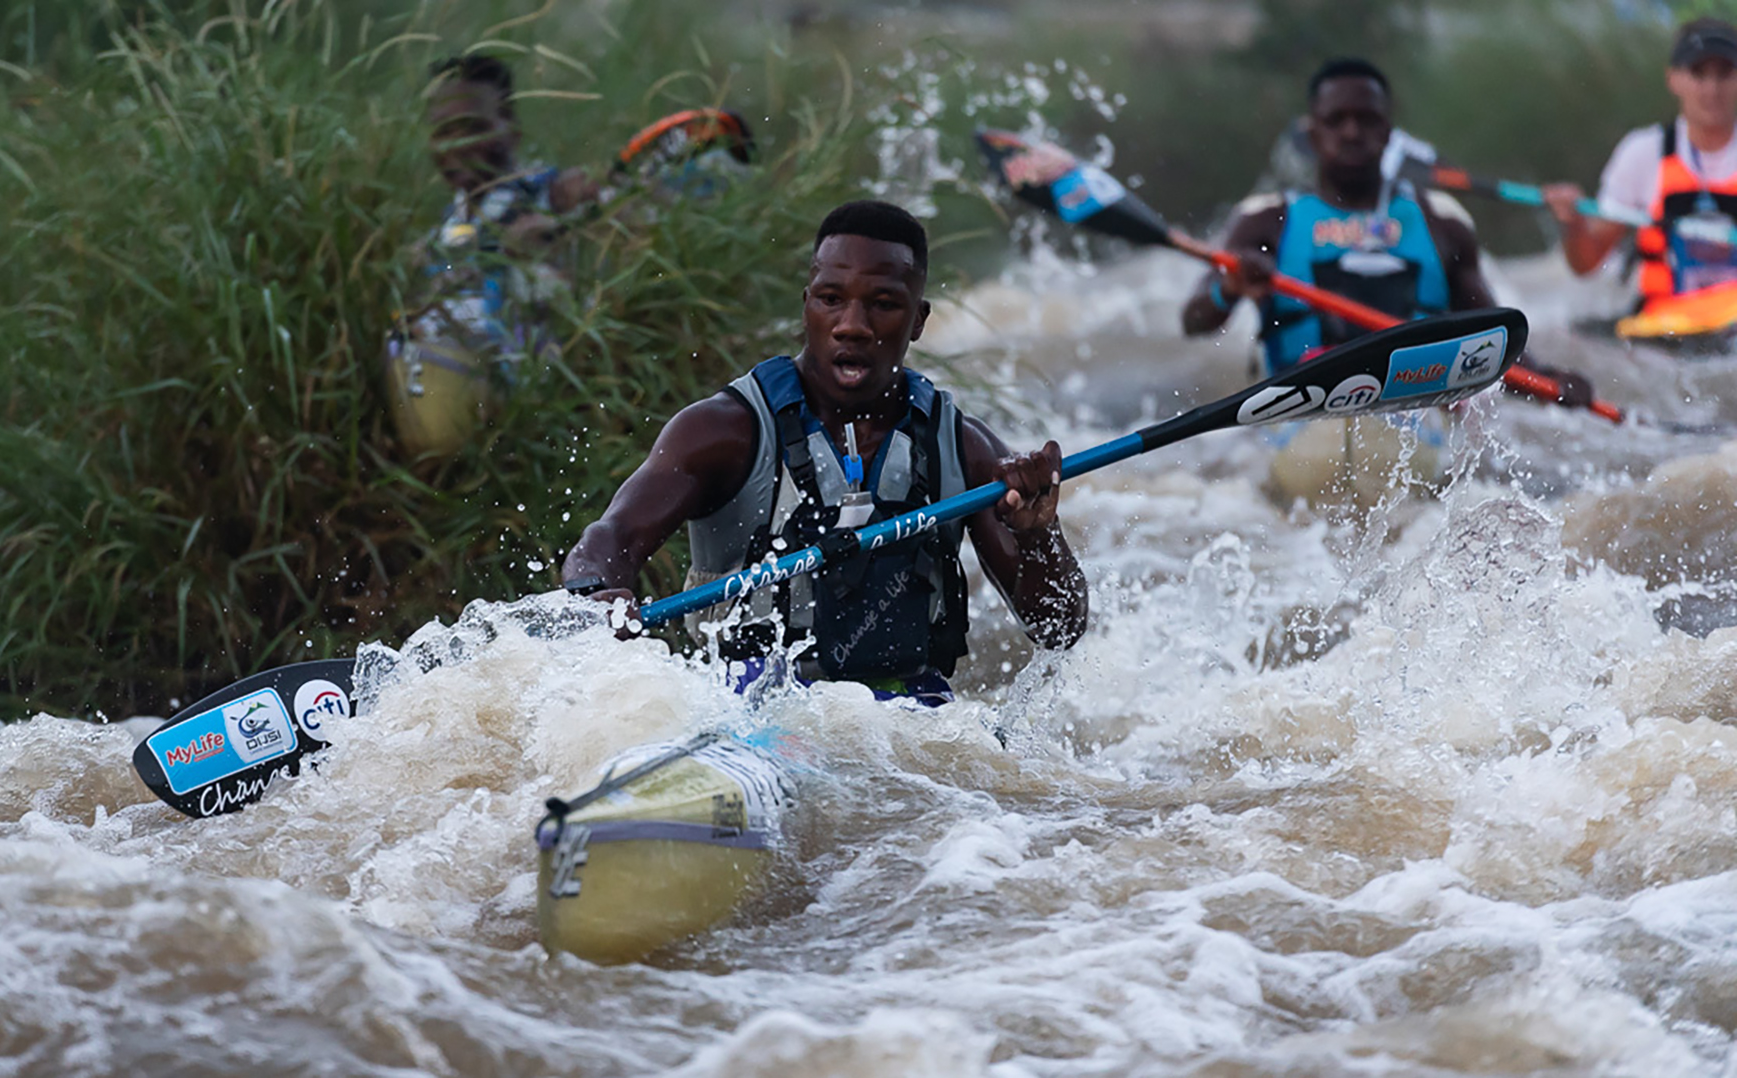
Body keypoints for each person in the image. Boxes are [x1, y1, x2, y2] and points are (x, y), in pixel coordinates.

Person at [559, 200, 1087, 706]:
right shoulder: (722, 431)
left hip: (910, 719)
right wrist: (596, 594)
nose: (851, 325)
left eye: (881, 304)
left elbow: (1058, 629)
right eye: (831, 299)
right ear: (807, 302)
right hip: (749, 707)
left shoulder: (964, 448)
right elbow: (611, 538)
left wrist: (1038, 533)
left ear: (919, 320)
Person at [1182, 57, 1590, 405]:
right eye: (1336, 120)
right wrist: (1230, 288)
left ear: (1390, 133)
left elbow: (1490, 341)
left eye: (1367, 119)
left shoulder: (1442, 221)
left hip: (1414, 410)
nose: (1352, 132)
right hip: (1302, 407)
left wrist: (1550, 383)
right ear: (1312, 134)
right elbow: (1195, 320)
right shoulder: (1265, 219)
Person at [385, 55, 601, 456]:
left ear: (512, 132)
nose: (459, 145)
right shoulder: (442, 230)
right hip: (438, 406)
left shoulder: (551, 194)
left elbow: (620, 203)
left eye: (475, 127)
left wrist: (559, 228)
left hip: (533, 418)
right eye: (445, 131)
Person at [1543, 18, 1737, 304]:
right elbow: (1587, 263)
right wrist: (1573, 225)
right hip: (1665, 335)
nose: (1712, 89)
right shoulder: (1642, 151)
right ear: (1673, 79)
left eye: (1724, 73)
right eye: (1698, 73)